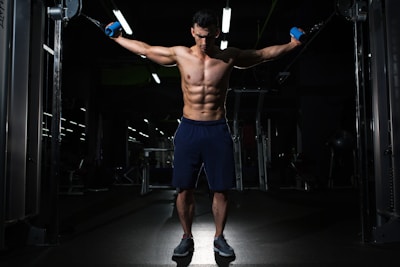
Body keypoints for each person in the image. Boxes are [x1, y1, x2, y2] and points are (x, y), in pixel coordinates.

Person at [109, 8, 301, 258]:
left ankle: (219, 237)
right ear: (192, 32)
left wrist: (293, 44)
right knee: (184, 189)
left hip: (217, 129)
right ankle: (186, 237)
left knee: (221, 189)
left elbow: (263, 54)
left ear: (217, 33)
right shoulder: (180, 54)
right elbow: (146, 49)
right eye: (199, 36)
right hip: (188, 129)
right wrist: (118, 38)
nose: (203, 42)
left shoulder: (229, 57)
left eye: (208, 37)